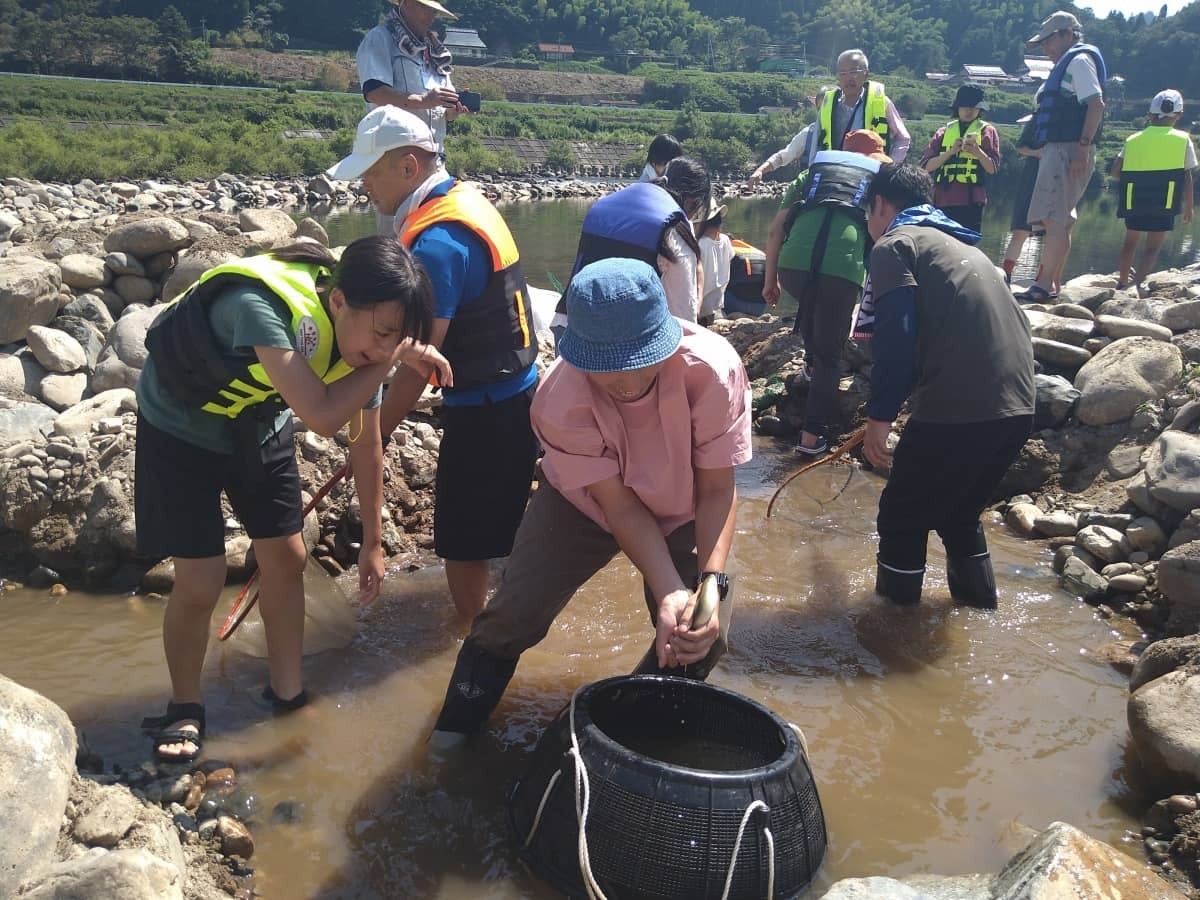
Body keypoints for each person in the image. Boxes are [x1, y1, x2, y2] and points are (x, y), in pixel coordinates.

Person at [136, 237, 450, 762]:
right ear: (339, 301)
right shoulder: (261, 307)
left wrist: (374, 538)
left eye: (393, 337)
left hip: (255, 420)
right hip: (180, 424)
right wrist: (395, 357)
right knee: (201, 577)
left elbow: (366, 441)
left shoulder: (362, 347)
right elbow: (323, 417)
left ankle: (287, 692)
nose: (378, 348)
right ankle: (184, 707)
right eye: (380, 332)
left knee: (288, 555)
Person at [431, 258, 751, 740]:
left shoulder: (712, 371)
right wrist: (667, 589)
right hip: (585, 504)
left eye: (638, 359)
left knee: (700, 633)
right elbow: (619, 506)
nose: (623, 381)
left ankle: (622, 735)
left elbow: (716, 490)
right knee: (512, 616)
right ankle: (450, 738)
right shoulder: (559, 400)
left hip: (685, 501)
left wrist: (708, 583)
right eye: (606, 367)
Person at [327, 106, 540, 623]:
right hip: (519, 391)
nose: (364, 187)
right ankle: (503, 617)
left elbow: (417, 359)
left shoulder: (438, 242)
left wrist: (373, 438)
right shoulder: (462, 200)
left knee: (464, 544)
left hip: (484, 408)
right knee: (503, 526)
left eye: (370, 173)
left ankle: (475, 637)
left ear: (408, 165)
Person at [862, 165, 1035, 609]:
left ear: (880, 204)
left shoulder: (894, 245)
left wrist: (879, 418)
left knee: (901, 516)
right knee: (958, 515)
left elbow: (895, 338)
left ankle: (892, 634)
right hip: (1019, 405)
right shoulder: (963, 244)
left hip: (961, 407)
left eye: (868, 212)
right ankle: (980, 614)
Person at [763, 130, 890, 456]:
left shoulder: (810, 175)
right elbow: (881, 235)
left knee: (812, 301)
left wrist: (770, 280)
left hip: (792, 268)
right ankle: (810, 438)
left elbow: (776, 229)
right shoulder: (876, 185)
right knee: (831, 356)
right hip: (841, 271)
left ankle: (808, 364)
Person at [553, 156, 711, 329]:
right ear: (690, 201)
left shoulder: (606, 203)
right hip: (620, 342)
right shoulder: (674, 226)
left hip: (568, 327)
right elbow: (683, 315)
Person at [1016, 11, 1106, 303]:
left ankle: (1042, 285)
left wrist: (1082, 146)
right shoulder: (1072, 63)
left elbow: (1095, 104)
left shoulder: (1079, 61)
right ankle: (1053, 281)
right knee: (1060, 219)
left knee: (1054, 218)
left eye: (1049, 40)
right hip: (1062, 148)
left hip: (1068, 148)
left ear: (1068, 34)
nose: (1045, 48)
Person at [356, 0, 466, 231]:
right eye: (425, 7)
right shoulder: (381, 38)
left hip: (433, 158)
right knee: (395, 237)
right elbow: (374, 91)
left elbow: (442, 111)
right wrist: (423, 101)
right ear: (404, 4)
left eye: (434, 10)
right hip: (395, 158)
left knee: (430, 230)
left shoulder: (435, 51)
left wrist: (452, 111)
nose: (431, 14)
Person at [1111, 89, 1197, 290]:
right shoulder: (1183, 139)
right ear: (1178, 115)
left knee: (1130, 242)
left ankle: (1122, 282)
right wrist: (1189, 207)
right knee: (1153, 247)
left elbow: (1115, 171)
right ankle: (1137, 284)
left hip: (1134, 199)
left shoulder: (1133, 139)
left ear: (1150, 114)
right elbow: (1187, 176)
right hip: (1165, 200)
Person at [919, 83, 1001, 233]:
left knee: (966, 246)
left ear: (980, 109)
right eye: (964, 106)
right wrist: (949, 153)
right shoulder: (943, 132)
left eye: (973, 107)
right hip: (941, 200)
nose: (969, 110)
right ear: (957, 108)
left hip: (971, 201)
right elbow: (925, 167)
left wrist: (977, 152)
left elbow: (992, 168)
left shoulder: (987, 131)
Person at [815, 50, 911, 162]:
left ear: (866, 74)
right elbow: (816, 143)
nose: (848, 78)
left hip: (872, 173)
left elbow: (903, 138)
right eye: (843, 73)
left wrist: (891, 166)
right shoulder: (828, 105)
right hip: (836, 173)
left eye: (853, 72)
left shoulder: (881, 102)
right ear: (838, 77)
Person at [1000, 113, 1044, 286]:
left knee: (1052, 232)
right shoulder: (1037, 119)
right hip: (1031, 179)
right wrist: (1037, 153)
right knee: (1020, 230)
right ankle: (1006, 277)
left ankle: (1043, 280)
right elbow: (1021, 147)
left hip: (1057, 180)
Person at [697, 197, 734, 326]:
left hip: (700, 304)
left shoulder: (700, 244)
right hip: (716, 302)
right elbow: (731, 256)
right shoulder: (725, 240)